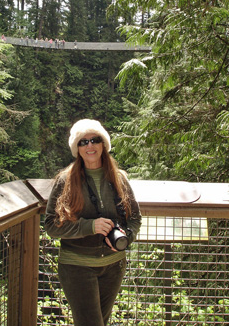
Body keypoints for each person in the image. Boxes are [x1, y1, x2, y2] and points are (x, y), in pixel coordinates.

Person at [44, 119, 142, 326]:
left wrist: (126, 238)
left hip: (113, 266)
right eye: (83, 142)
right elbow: (51, 225)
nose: (89, 146)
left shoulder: (119, 178)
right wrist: (90, 226)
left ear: (103, 145)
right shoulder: (65, 180)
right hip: (77, 266)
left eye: (95, 140)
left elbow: (134, 218)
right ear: (76, 149)